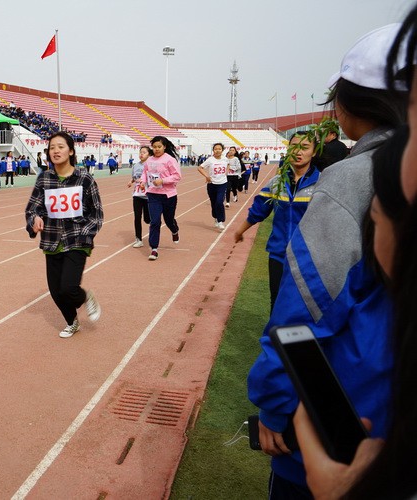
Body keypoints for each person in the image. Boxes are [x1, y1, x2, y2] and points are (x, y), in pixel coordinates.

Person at [247, 23, 408, 498]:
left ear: (351, 102)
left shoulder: (350, 180)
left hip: (346, 421)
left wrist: (276, 402)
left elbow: (307, 311)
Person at [24, 131, 103, 338]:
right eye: (52, 148)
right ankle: (72, 322)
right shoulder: (44, 179)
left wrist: (84, 234)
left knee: (69, 288)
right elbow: (33, 208)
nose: (56, 151)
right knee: (56, 291)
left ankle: (86, 297)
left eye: (60, 146)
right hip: (51, 241)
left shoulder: (84, 179)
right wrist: (34, 220)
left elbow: (97, 213)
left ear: (71, 151)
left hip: (77, 240)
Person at [233, 132, 320, 308]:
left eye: (304, 147)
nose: (298, 152)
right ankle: (276, 336)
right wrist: (240, 230)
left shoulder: (322, 183)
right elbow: (259, 210)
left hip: (309, 257)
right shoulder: (276, 182)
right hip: (279, 254)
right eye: (294, 146)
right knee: (277, 301)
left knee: (305, 305)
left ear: (314, 152)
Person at [140, 136, 182, 260]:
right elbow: (145, 173)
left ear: (164, 147)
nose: (157, 149)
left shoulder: (170, 160)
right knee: (155, 221)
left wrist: (163, 180)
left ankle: (174, 231)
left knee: (169, 220)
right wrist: (143, 182)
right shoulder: (149, 160)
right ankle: (154, 249)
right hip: (153, 195)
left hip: (168, 195)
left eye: (159, 147)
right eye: (154, 147)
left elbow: (177, 176)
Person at [197, 143, 228, 230]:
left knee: (219, 202)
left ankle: (220, 220)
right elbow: (200, 168)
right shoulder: (210, 160)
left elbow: (228, 165)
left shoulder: (225, 159)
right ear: (213, 150)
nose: (217, 150)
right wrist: (207, 176)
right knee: (213, 203)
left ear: (222, 150)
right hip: (212, 184)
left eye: (219, 149)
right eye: (215, 149)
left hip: (222, 183)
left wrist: (226, 173)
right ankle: (216, 217)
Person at [127, 145, 152, 248]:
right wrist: (130, 181)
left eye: (144, 152)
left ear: (149, 154)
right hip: (137, 195)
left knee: (147, 219)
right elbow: (134, 178)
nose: (141, 154)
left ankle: (154, 230)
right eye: (140, 152)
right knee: (137, 217)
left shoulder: (151, 165)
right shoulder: (136, 165)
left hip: (147, 195)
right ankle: (138, 239)